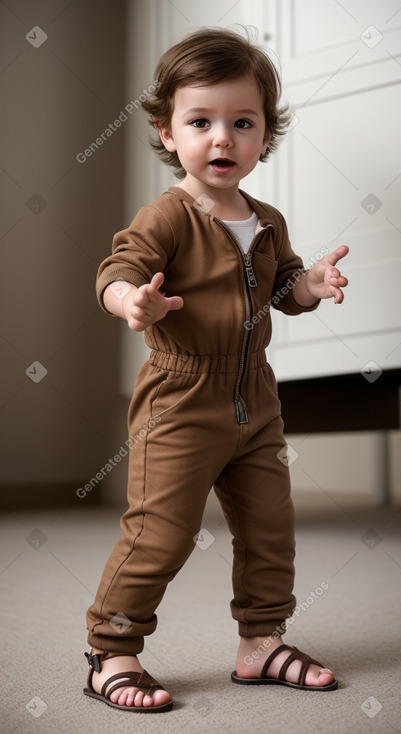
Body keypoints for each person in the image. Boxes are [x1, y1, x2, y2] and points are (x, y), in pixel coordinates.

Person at [83, 27, 348, 713]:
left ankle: (260, 642)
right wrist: (130, 301)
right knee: (160, 530)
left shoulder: (265, 220)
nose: (222, 138)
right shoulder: (167, 216)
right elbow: (118, 269)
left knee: (270, 525)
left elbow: (283, 288)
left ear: (264, 134)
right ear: (167, 132)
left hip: (254, 399)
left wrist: (310, 286)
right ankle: (111, 651)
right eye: (200, 121)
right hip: (179, 396)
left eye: (242, 122)